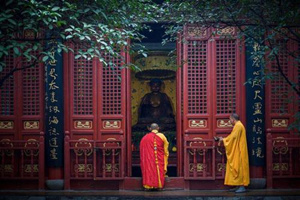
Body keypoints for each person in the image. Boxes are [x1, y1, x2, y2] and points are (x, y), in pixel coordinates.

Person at [218, 113, 250, 193]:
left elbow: (233, 137)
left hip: (239, 150)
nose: (229, 121)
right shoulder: (238, 125)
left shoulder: (238, 126)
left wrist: (224, 140)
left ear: (233, 119)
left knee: (239, 167)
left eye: (230, 119)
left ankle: (242, 186)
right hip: (238, 149)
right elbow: (233, 136)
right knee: (237, 167)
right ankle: (238, 185)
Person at [140, 123, 169, 190]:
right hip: (159, 157)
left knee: (149, 169)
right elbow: (166, 149)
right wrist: (165, 155)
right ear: (158, 128)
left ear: (150, 129)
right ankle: (159, 186)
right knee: (159, 169)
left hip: (148, 158)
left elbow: (142, 150)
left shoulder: (145, 137)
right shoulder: (162, 136)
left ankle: (148, 186)